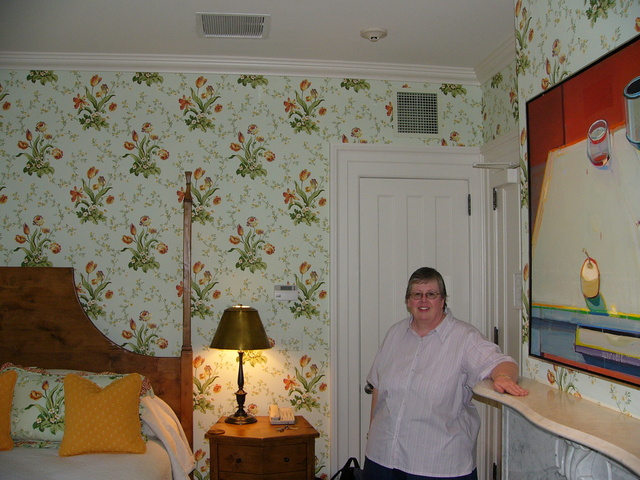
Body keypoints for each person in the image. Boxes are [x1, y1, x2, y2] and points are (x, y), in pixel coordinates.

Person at [363, 267, 528, 480]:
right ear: (408, 301)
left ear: (442, 300)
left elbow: (502, 363)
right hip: (382, 457)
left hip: (438, 465)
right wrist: (372, 434)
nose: (423, 300)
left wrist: (503, 377)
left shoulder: (465, 337)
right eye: (417, 294)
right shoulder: (395, 334)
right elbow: (378, 388)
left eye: (431, 294)